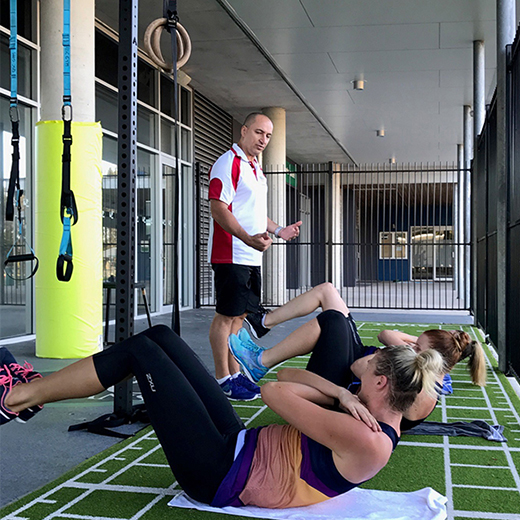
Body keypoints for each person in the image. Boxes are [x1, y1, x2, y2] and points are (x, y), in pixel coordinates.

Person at [1, 325, 442, 509]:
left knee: (141, 353)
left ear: (383, 384)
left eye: (368, 368)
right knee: (160, 337)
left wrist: (345, 401)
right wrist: (344, 396)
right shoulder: (370, 407)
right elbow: (285, 372)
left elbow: (272, 391)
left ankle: (17, 398)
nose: (358, 369)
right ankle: (29, 392)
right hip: (237, 445)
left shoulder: (367, 438)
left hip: (218, 473)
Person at [232, 282, 486, 430]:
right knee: (328, 292)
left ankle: (260, 361)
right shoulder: (423, 370)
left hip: (339, 396)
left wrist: (393, 353)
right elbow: (386, 337)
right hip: (348, 385)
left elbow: (357, 367)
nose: (413, 347)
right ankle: (263, 325)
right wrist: (406, 349)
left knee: (331, 320)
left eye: (418, 347)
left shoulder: (421, 390)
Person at [208, 112, 302, 401]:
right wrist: (247, 239)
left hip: (250, 256)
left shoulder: (255, 168)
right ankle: (223, 377)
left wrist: (278, 229)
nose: (264, 140)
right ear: (244, 131)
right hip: (231, 254)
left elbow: (255, 214)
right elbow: (218, 208)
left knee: (240, 317)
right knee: (226, 317)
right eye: (259, 133)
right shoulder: (228, 163)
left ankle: (235, 375)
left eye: (269, 136)